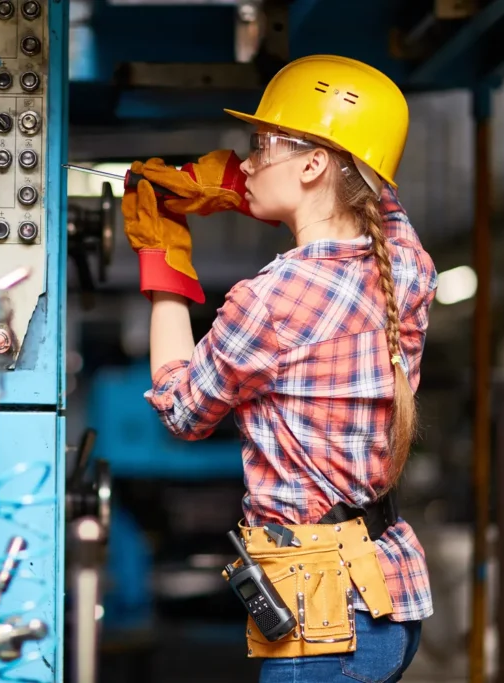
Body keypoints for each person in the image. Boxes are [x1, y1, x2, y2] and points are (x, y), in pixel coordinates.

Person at [120, 55, 436, 682]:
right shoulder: (403, 262)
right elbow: (375, 197)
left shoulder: (273, 298)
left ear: (315, 164)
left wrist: (162, 258)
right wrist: (250, 185)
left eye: (262, 145)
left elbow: (183, 411)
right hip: (387, 594)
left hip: (323, 616)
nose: (248, 160)